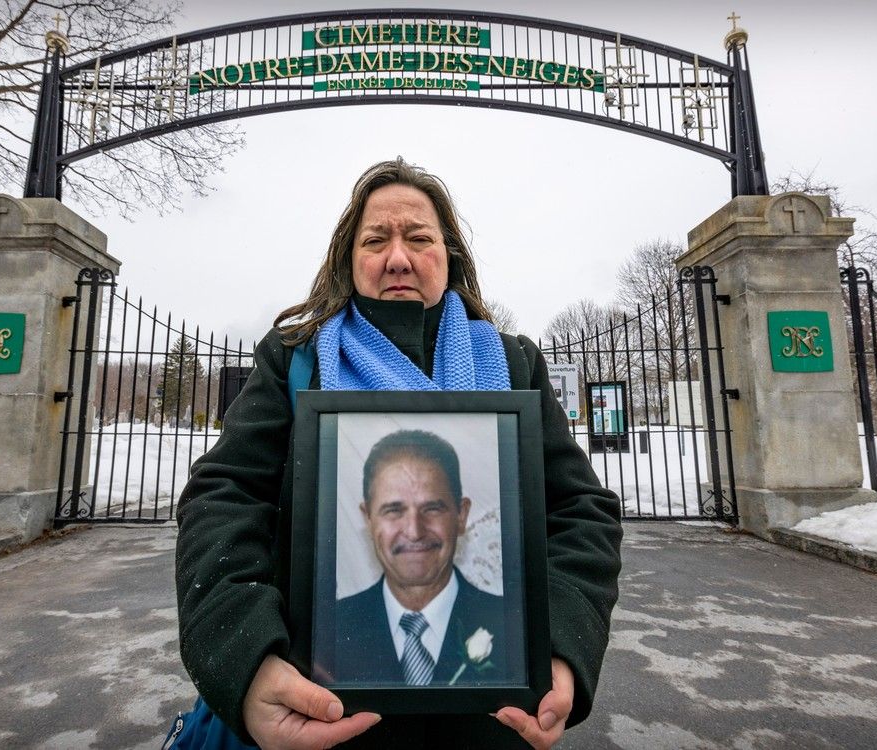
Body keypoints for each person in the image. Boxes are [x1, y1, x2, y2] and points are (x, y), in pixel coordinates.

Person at [175, 157, 622, 749]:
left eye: (419, 238)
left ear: (449, 255)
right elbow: (223, 499)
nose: (398, 258)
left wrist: (561, 651)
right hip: (313, 714)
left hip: (491, 714)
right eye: (376, 240)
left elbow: (579, 512)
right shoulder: (296, 360)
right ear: (349, 259)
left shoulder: (513, 366)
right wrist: (248, 659)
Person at [330, 429, 512, 687]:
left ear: (461, 515)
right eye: (394, 510)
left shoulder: (510, 624)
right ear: (367, 518)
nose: (414, 532)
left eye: (432, 508)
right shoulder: (332, 629)